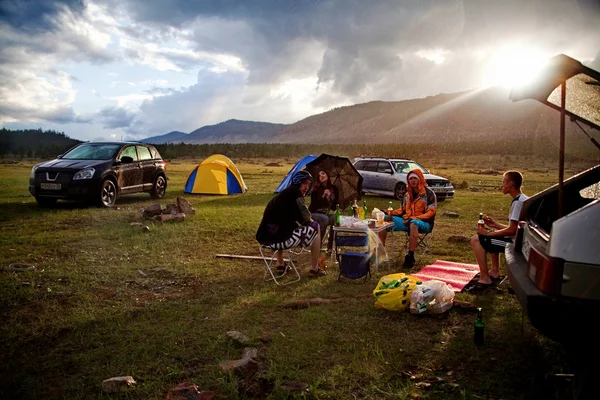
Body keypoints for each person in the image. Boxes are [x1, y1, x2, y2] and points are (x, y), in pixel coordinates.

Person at [256, 170, 326, 277]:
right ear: (298, 182)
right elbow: (307, 219)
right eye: (304, 183)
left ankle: (280, 264)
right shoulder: (297, 195)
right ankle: (315, 268)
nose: (307, 187)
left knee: (281, 226)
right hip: (283, 240)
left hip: (266, 238)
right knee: (316, 227)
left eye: (309, 184)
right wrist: (310, 222)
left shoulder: (283, 194)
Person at [470, 170, 528, 289]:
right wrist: (495, 225)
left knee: (476, 240)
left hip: (516, 243)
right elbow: (515, 228)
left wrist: (487, 233)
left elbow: (512, 231)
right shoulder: (522, 199)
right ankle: (494, 271)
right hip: (520, 239)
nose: (502, 185)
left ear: (511, 184)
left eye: (503, 182)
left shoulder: (518, 203)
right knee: (492, 234)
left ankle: (485, 279)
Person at [378, 169, 436, 268]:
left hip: (425, 223)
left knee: (414, 223)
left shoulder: (429, 194)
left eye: (415, 178)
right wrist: (387, 212)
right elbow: (402, 211)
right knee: (384, 219)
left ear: (420, 179)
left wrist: (414, 218)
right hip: (407, 220)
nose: (412, 181)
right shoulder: (407, 194)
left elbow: (431, 212)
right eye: (410, 179)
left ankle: (410, 256)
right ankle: (380, 253)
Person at [308, 169, 339, 253]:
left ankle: (330, 246)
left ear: (328, 175)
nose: (320, 176)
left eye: (323, 173)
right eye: (319, 175)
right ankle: (318, 245)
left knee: (336, 218)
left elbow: (335, 208)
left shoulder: (334, 189)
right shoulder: (316, 189)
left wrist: (329, 198)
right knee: (324, 219)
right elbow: (313, 205)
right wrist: (322, 197)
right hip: (314, 213)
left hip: (327, 213)